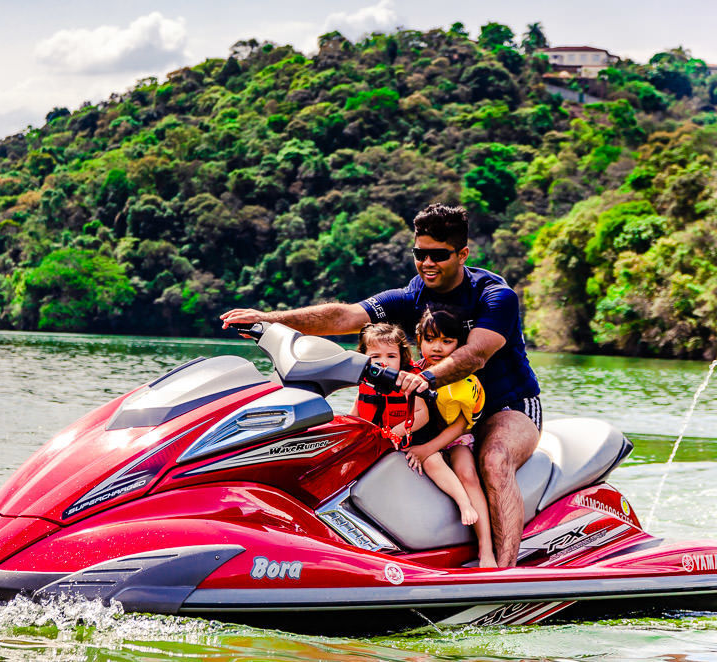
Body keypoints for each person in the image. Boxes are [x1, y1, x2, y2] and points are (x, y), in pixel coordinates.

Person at [220, 203, 541, 567]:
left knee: (494, 460)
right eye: (420, 254)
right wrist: (269, 320)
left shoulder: (494, 296)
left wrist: (424, 377)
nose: (427, 263)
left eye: (439, 255)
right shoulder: (412, 297)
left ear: (462, 254)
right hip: (435, 409)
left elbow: (477, 354)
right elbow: (343, 316)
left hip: (506, 405)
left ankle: (502, 572)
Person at [405, 306, 495, 567]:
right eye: (430, 339)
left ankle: (486, 550)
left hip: (454, 439)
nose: (437, 348)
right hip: (420, 437)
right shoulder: (412, 371)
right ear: (419, 339)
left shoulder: (464, 379)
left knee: (467, 472)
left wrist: (427, 449)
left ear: (459, 344)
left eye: (447, 341)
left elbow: (459, 427)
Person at [348, 322, 427, 441]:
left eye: (391, 356)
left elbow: (422, 414)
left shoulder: (408, 382)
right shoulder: (365, 382)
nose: (384, 362)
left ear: (402, 357)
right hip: (374, 440)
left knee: (432, 459)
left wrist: (393, 434)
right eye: (375, 356)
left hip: (407, 441)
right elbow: (355, 415)